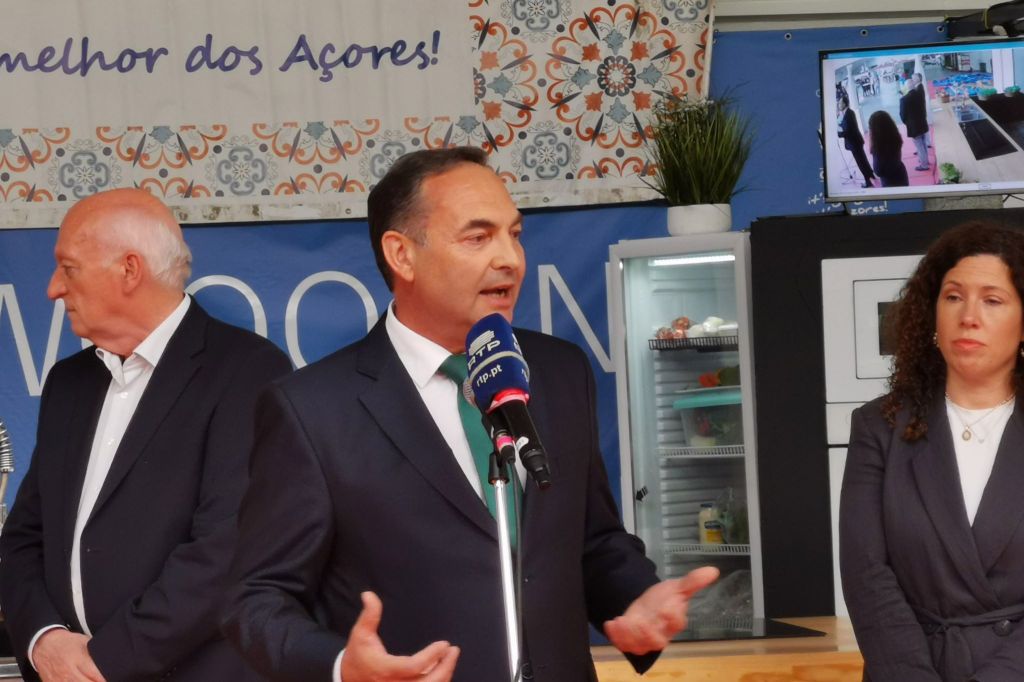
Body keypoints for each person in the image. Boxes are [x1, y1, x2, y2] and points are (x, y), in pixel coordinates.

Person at [221, 147, 719, 682]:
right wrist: (343, 666)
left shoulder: (558, 371)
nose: (510, 259)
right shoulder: (312, 409)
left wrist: (636, 598)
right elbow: (256, 600)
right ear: (402, 255)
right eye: (478, 238)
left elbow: (591, 540)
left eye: (515, 234)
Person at [0, 188, 293, 681]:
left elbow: (226, 551)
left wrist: (103, 662)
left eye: (68, 268)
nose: (52, 288)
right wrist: (43, 641)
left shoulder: (247, 371)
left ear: (129, 269)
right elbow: (25, 537)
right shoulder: (68, 384)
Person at [840, 221, 1024, 681]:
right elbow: (867, 576)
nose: (969, 316)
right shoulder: (878, 426)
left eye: (993, 300)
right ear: (931, 312)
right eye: (953, 296)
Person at [837, 96, 876, 188]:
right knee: (863, 160)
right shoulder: (848, 113)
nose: (838, 105)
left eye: (840, 103)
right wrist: (840, 124)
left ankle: (868, 182)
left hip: (854, 143)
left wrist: (838, 134)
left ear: (844, 104)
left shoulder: (848, 114)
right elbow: (847, 125)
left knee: (861, 163)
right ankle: (871, 175)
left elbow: (848, 131)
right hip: (856, 141)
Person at [868, 110, 909, 187]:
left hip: (890, 183)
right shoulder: (895, 138)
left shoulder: (879, 149)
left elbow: (878, 171)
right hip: (901, 175)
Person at [900, 72, 931, 171]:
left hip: (914, 126)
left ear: (906, 87)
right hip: (922, 123)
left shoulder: (904, 99)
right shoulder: (919, 94)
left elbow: (902, 115)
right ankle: (925, 160)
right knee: (923, 143)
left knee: (919, 145)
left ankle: (924, 164)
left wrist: (907, 123)